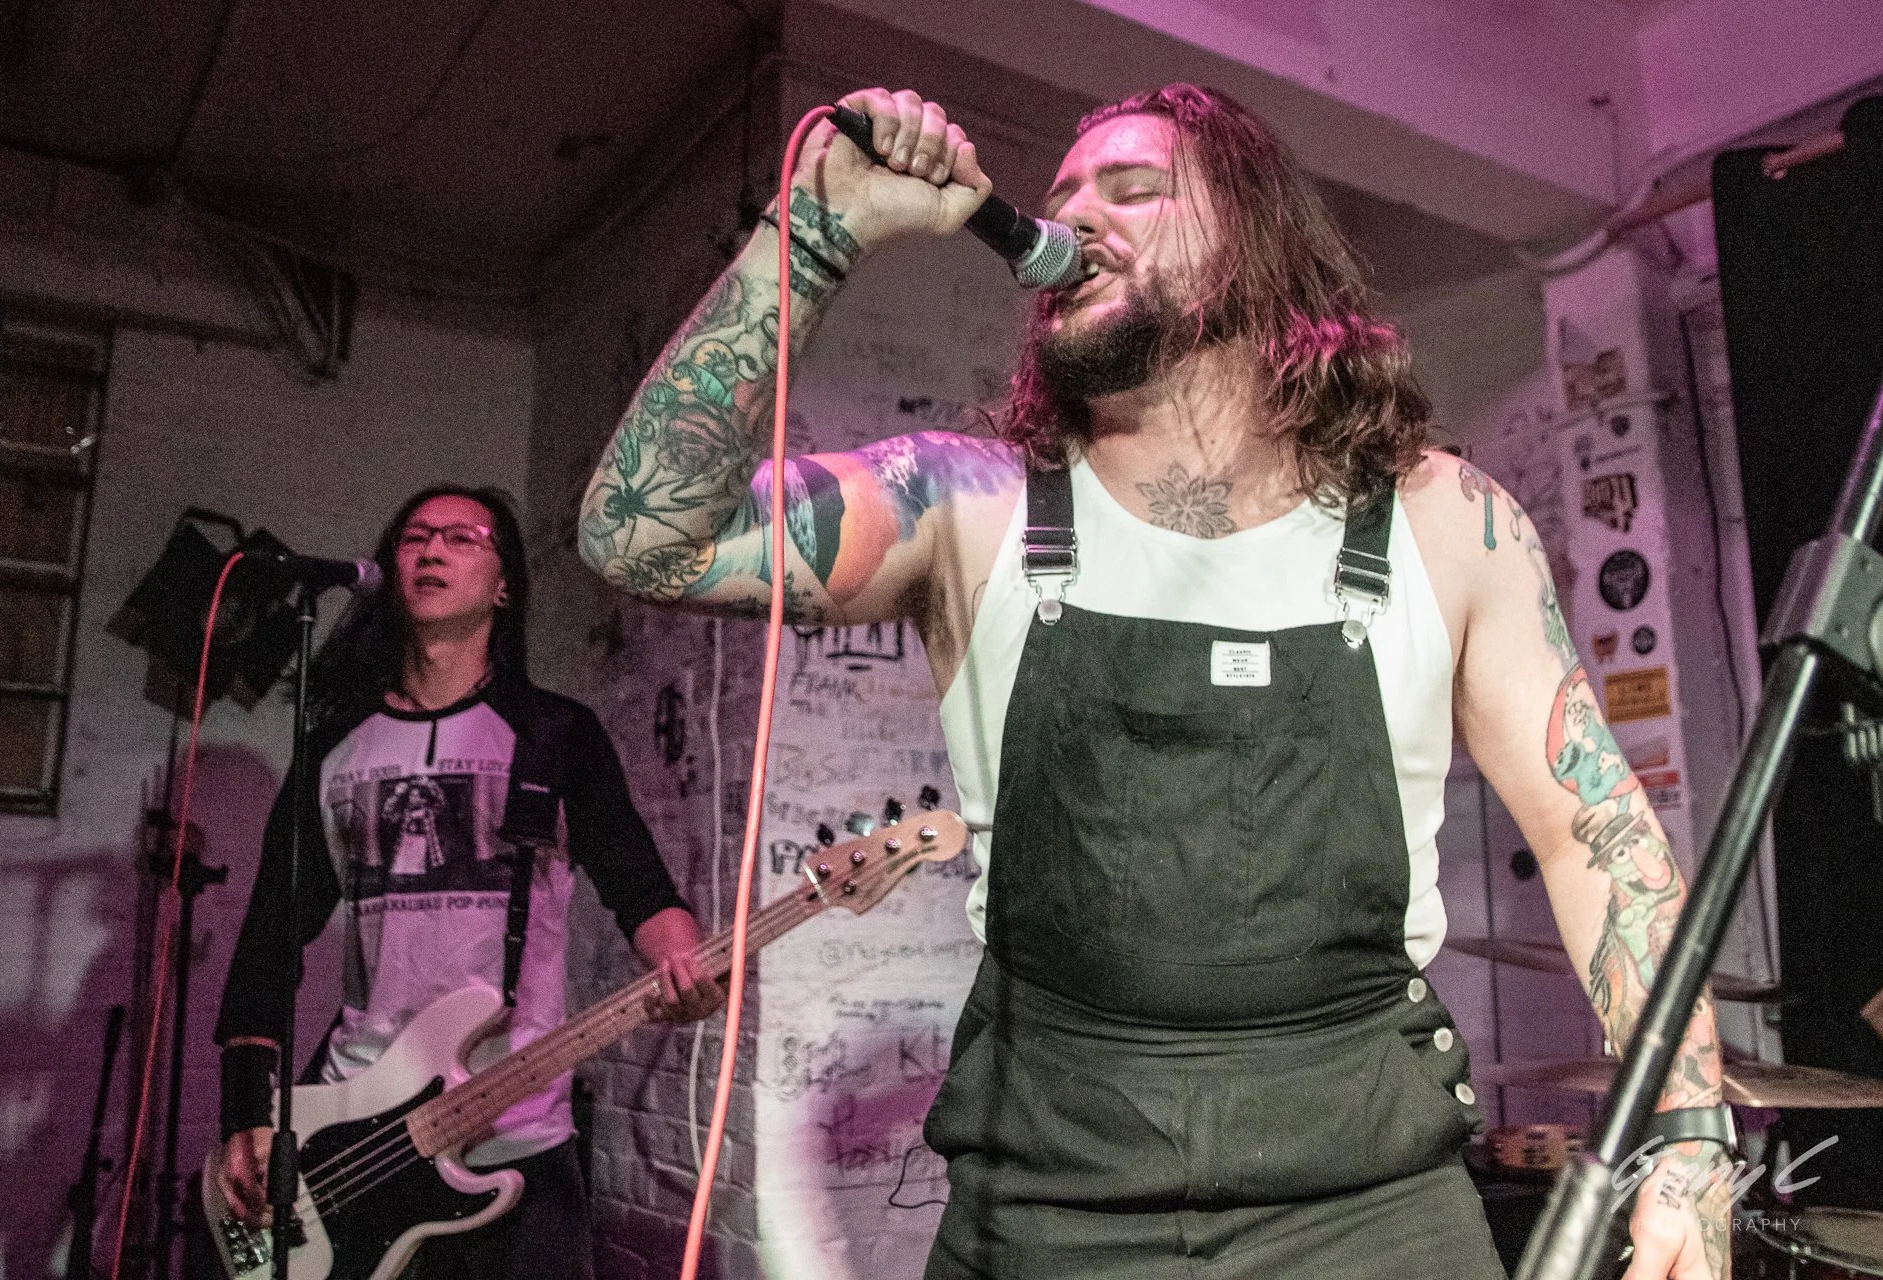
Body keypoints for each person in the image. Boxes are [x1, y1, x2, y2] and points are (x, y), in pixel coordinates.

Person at [579, 85, 1733, 1280]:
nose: (1079, 216)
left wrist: (1691, 1137)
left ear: (1260, 244)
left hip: (1370, 1206)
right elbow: (640, 538)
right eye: (1066, 196)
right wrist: (814, 232)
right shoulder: (968, 504)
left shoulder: (1443, 519)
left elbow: (1597, 834)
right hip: (1043, 1207)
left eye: (1133, 190)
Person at [213, 485, 723, 1278]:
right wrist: (245, 1113)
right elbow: (269, 941)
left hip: (516, 1130)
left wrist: (686, 964)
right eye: (415, 536)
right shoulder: (334, 743)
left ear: (504, 584)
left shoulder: (554, 734)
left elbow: (641, 887)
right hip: (350, 1132)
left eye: (461, 538)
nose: (432, 549)